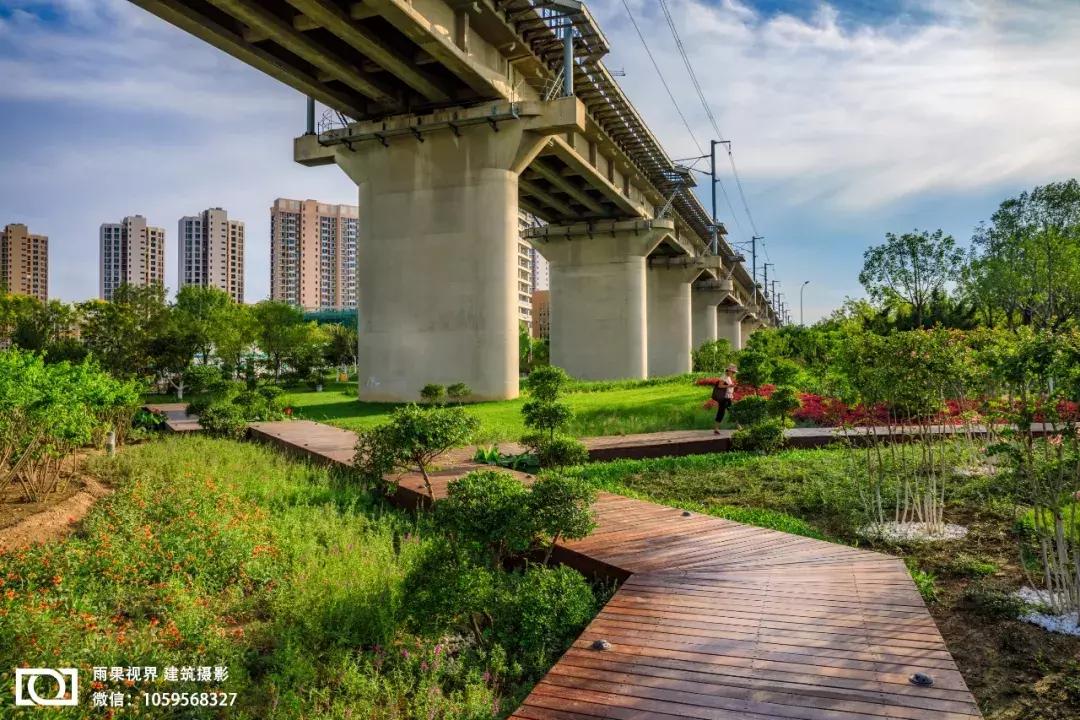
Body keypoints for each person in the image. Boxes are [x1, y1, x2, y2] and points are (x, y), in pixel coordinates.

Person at [711, 364, 737, 434]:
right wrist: (730, 385)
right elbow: (720, 385)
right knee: (722, 412)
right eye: (733, 372)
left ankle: (739, 427)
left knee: (731, 412)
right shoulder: (724, 376)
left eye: (734, 372)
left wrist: (732, 387)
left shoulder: (728, 377)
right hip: (724, 398)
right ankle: (716, 429)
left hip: (728, 397)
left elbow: (729, 388)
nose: (733, 373)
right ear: (728, 371)